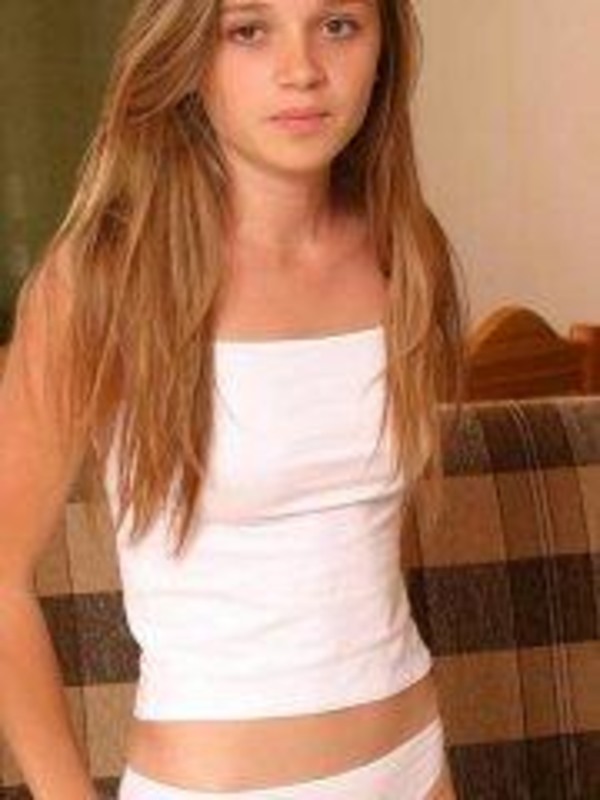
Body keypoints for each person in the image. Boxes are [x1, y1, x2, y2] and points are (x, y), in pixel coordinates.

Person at [0, 0, 470, 797]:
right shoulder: (102, 281)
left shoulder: (406, 250)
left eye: (338, 25)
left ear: (383, 47)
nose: (302, 70)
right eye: (249, 31)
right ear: (189, 54)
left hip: (416, 767)